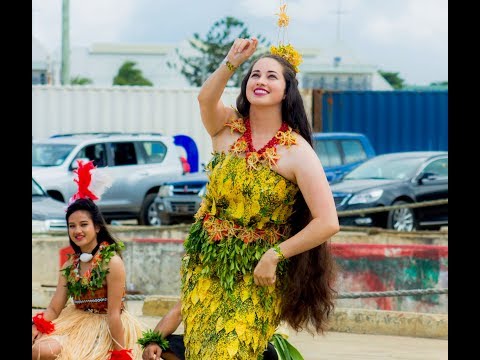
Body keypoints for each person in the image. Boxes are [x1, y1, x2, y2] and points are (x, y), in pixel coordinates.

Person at [141, 35, 339, 359]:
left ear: (287, 91)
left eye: (271, 76)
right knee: (201, 351)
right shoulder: (227, 129)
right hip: (206, 267)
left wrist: (274, 255)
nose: (260, 80)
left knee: (229, 351)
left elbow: (328, 222)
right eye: (255, 75)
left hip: (256, 274)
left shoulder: (297, 152)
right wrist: (231, 61)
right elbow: (206, 99)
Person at [32, 160, 143, 360]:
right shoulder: (70, 265)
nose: (77, 231)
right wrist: (36, 326)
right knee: (38, 350)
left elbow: (114, 314)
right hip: (75, 321)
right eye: (72, 226)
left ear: (97, 227)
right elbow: (54, 308)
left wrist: (120, 354)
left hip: (105, 327)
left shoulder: (112, 262)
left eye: (84, 224)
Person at [141, 300, 279, 360]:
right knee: (164, 344)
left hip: (240, 345)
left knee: (268, 352)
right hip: (202, 345)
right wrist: (153, 342)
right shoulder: (202, 277)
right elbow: (178, 312)